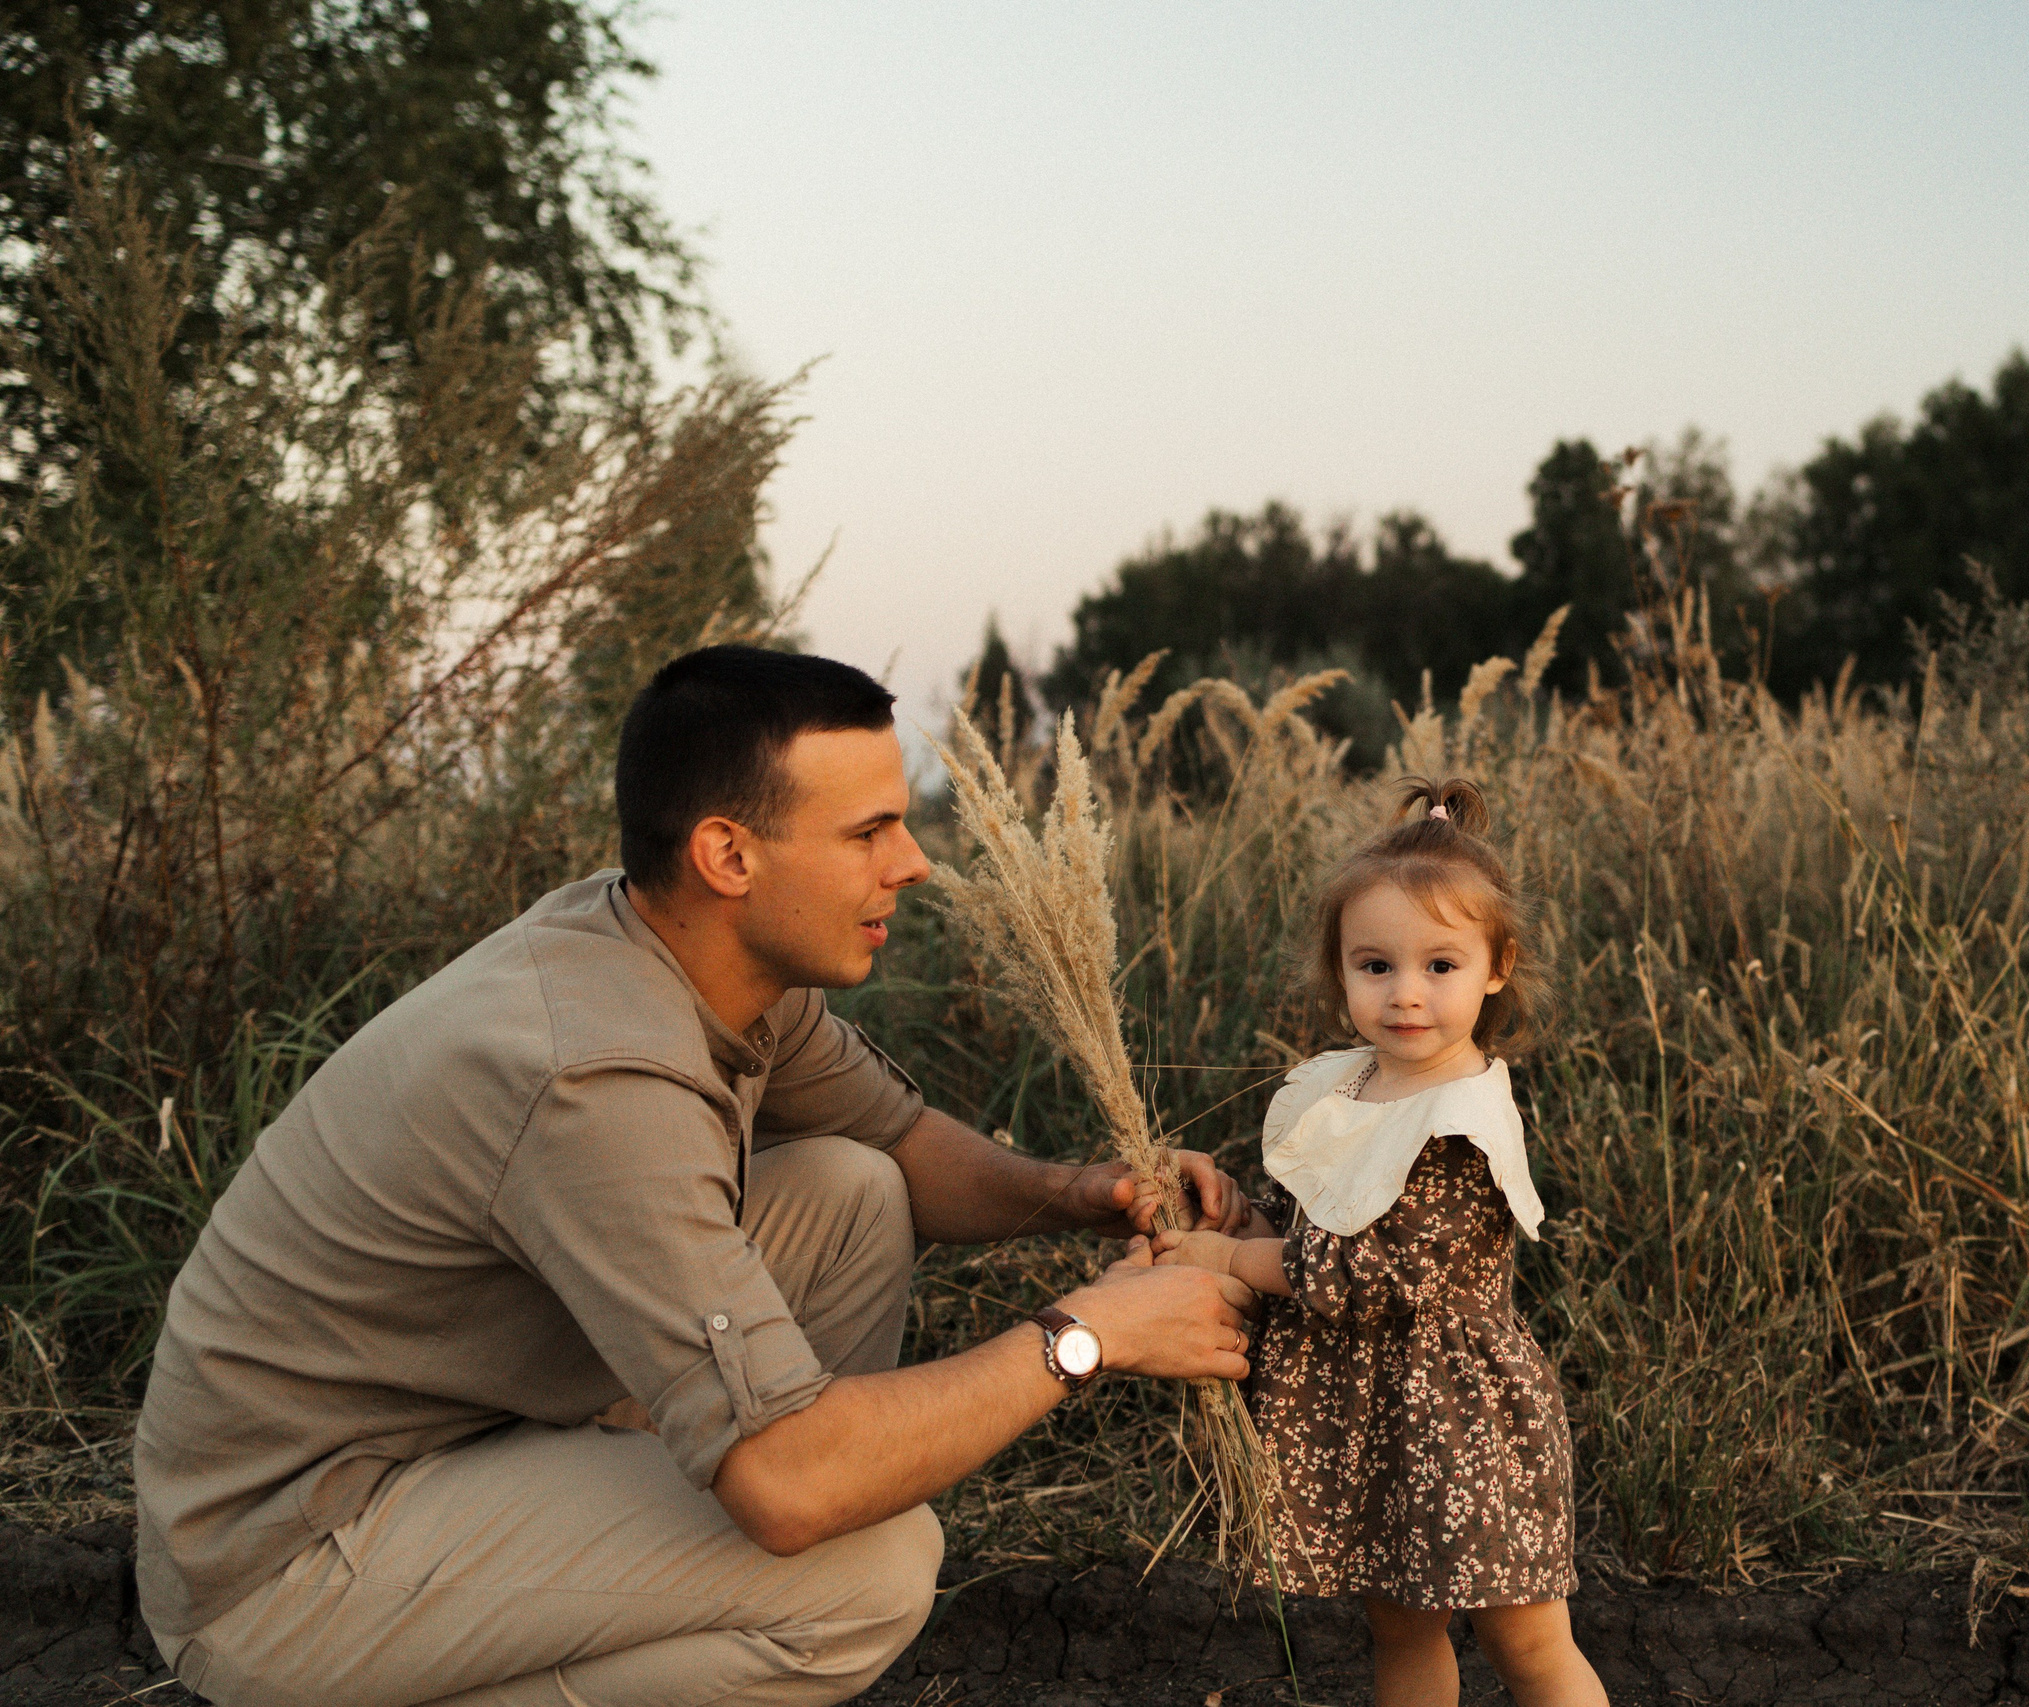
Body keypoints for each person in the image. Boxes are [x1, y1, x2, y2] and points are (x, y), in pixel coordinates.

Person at [132, 645, 1260, 1707]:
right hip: (289, 1560)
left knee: (853, 1187)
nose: (913, 864)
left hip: (459, 1435)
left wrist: (1079, 1193)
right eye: (870, 832)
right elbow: (791, 1495)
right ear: (729, 856)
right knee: (865, 1569)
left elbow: (905, 1144)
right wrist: (1090, 1334)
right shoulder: (595, 1075)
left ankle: (704, 1539)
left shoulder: (687, 949)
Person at [1149, 778, 1607, 1707]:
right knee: (1397, 1624)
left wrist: (1237, 1263)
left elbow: (1369, 1274)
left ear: (1495, 965)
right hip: (1372, 1417)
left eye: (1440, 966)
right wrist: (1243, 1223)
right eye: (1375, 966)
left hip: (1459, 1416)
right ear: (1340, 969)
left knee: (1525, 1634)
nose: (1405, 995)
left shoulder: (1460, 1119)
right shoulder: (1347, 1084)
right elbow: (1316, 1219)